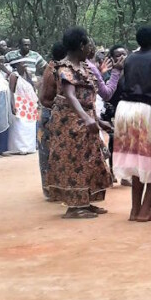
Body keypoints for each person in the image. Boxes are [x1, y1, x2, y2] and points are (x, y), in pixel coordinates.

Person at [46, 27, 114, 219]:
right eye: (88, 44)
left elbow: (86, 99)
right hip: (71, 123)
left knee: (90, 159)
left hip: (85, 119)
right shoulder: (65, 68)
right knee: (74, 161)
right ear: (81, 45)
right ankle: (74, 207)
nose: (90, 48)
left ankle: (85, 201)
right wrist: (86, 118)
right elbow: (70, 96)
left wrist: (97, 121)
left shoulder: (83, 67)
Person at [112, 26, 151, 222]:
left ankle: (135, 210)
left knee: (138, 161)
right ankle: (145, 210)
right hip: (146, 110)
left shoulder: (130, 58)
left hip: (124, 110)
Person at [37, 43, 66, 201]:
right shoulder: (56, 70)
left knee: (47, 153)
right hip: (50, 114)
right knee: (50, 153)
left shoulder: (51, 67)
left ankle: (51, 188)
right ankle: (52, 189)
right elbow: (46, 98)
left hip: (47, 113)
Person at [7, 58, 39, 154]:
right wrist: (13, 104)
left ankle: (29, 147)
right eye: (22, 63)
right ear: (17, 65)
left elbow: (32, 86)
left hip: (29, 103)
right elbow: (11, 91)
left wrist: (27, 74)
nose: (25, 65)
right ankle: (19, 148)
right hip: (19, 103)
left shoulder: (26, 75)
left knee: (30, 125)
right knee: (20, 125)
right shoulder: (14, 76)